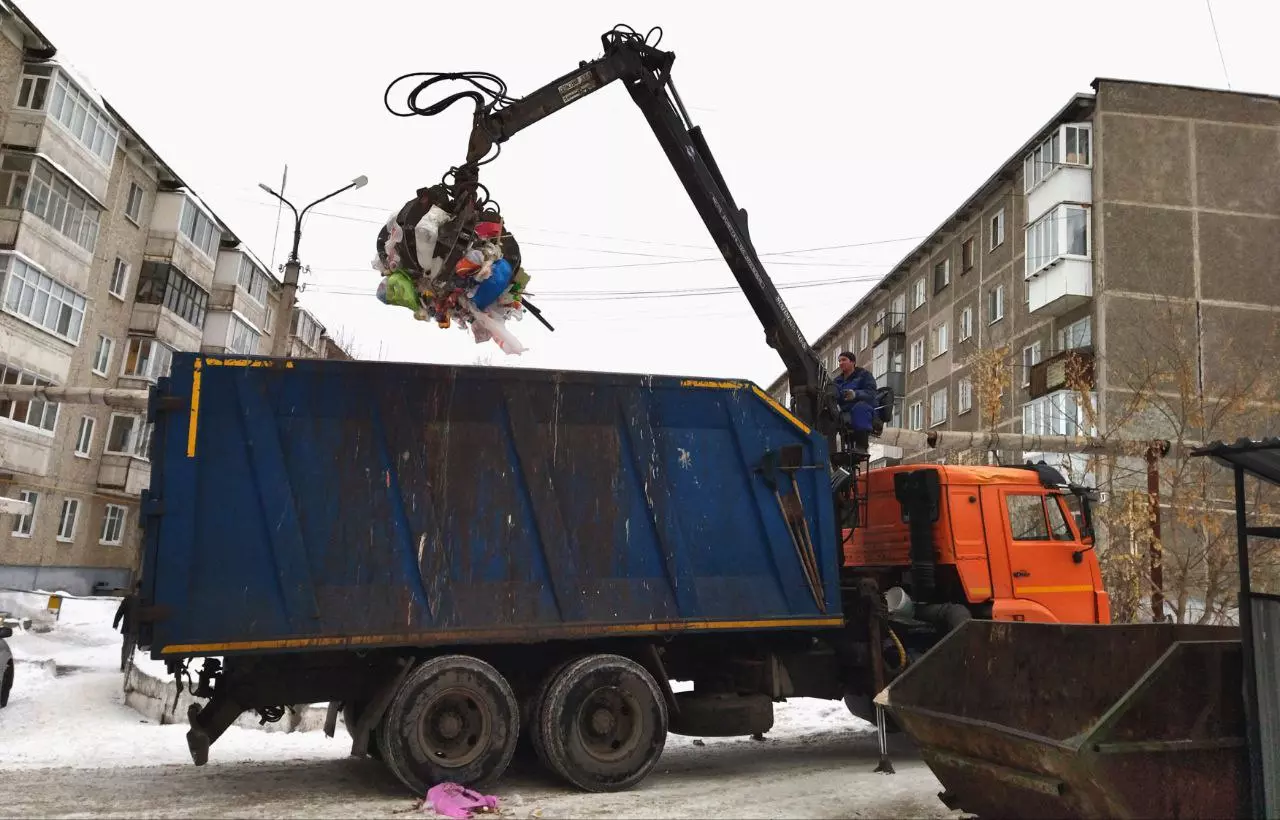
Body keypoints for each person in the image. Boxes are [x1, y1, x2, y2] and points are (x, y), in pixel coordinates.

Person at [833, 351, 877, 454]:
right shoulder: (837, 381)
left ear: (853, 362)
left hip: (864, 410)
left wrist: (855, 394)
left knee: (860, 408)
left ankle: (862, 446)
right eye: (839, 361)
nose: (840, 363)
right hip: (844, 411)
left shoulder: (864, 375)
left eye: (844, 360)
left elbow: (871, 394)